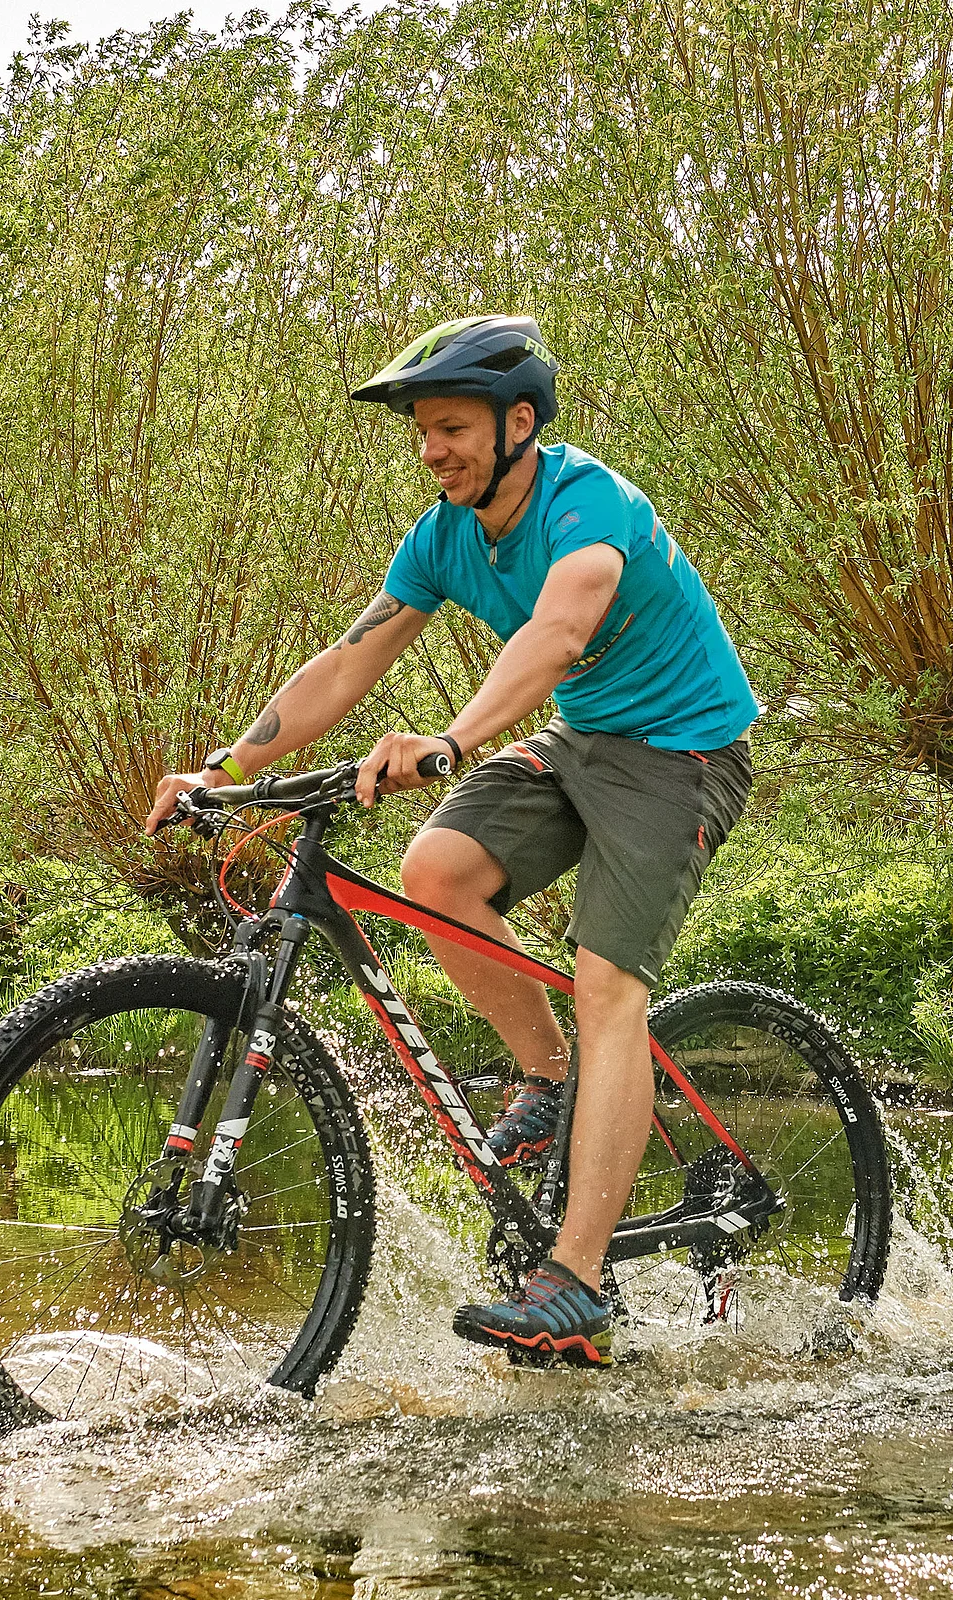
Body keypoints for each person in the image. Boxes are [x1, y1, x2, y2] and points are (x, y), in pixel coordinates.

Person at [145, 314, 757, 1367]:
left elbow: (559, 631)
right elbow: (345, 666)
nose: (433, 450)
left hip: (682, 754)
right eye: (423, 432)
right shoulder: (440, 538)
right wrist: (228, 770)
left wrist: (454, 738)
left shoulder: (588, 502)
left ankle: (573, 1280)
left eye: (452, 428)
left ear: (519, 423)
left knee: (610, 982)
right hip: (583, 740)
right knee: (432, 869)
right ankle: (550, 1076)